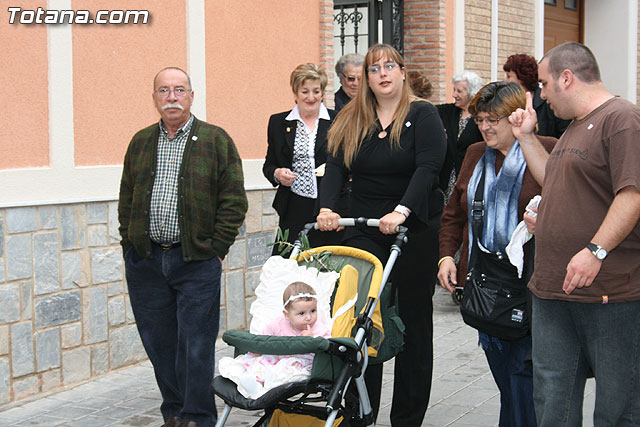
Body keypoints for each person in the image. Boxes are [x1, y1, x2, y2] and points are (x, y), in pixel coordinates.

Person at [509, 42, 640, 426]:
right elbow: (553, 181)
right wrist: (526, 138)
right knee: (552, 397)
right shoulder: (574, 129)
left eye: (546, 84)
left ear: (567, 77)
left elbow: (632, 195)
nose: (543, 95)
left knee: (618, 402)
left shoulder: (622, 119)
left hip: (608, 292)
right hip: (553, 288)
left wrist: (595, 250)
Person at [317, 43, 446, 426]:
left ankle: (407, 418)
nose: (383, 74)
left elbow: (428, 168)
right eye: (375, 69)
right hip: (364, 227)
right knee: (361, 321)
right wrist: (328, 208)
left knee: (412, 323)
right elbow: (336, 165)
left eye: (390, 66)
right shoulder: (352, 117)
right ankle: (361, 410)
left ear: (403, 72)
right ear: (368, 79)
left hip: (412, 226)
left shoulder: (423, 115)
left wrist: (402, 210)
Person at [118, 67, 248, 427]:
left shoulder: (216, 139)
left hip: (195, 261)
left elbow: (234, 200)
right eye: (164, 90)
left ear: (192, 96)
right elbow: (126, 197)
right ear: (155, 97)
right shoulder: (141, 141)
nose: (171, 97)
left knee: (195, 346)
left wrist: (217, 247)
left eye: (179, 90)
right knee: (159, 345)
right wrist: (130, 244)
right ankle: (174, 412)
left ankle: (198, 417)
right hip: (146, 262)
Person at [438, 82, 556, 427]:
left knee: (523, 379)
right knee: (507, 382)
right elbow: (453, 213)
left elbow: (568, 204)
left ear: (517, 116)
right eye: (480, 120)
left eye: (494, 119)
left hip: (531, 289)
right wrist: (446, 256)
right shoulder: (475, 154)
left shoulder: (548, 149)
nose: (486, 127)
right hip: (486, 287)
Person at [262, 63, 337, 253]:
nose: (311, 97)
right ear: (295, 93)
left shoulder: (338, 121)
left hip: (328, 207)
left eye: (316, 91)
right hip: (293, 206)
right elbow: (269, 165)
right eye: (305, 91)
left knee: (325, 265)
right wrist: (278, 174)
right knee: (287, 264)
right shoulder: (278, 122)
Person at [218, 282, 331, 399]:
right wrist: (257, 350)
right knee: (261, 362)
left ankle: (265, 388)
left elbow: (327, 350)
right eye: (301, 313)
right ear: (287, 315)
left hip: (301, 362)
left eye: (313, 311)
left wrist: (311, 341)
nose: (308, 317)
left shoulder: (319, 328)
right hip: (277, 357)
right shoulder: (278, 324)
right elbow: (264, 340)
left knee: (284, 370)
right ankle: (256, 384)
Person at [437, 71, 484, 197]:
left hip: (470, 179)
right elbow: (427, 112)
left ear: (471, 92)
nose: (454, 95)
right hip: (445, 181)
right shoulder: (447, 112)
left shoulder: (481, 118)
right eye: (454, 90)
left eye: (459, 91)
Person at [503, 53, 570, 138]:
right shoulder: (507, 103)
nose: (505, 80)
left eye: (509, 76)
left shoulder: (550, 103)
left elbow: (564, 134)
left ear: (522, 78)